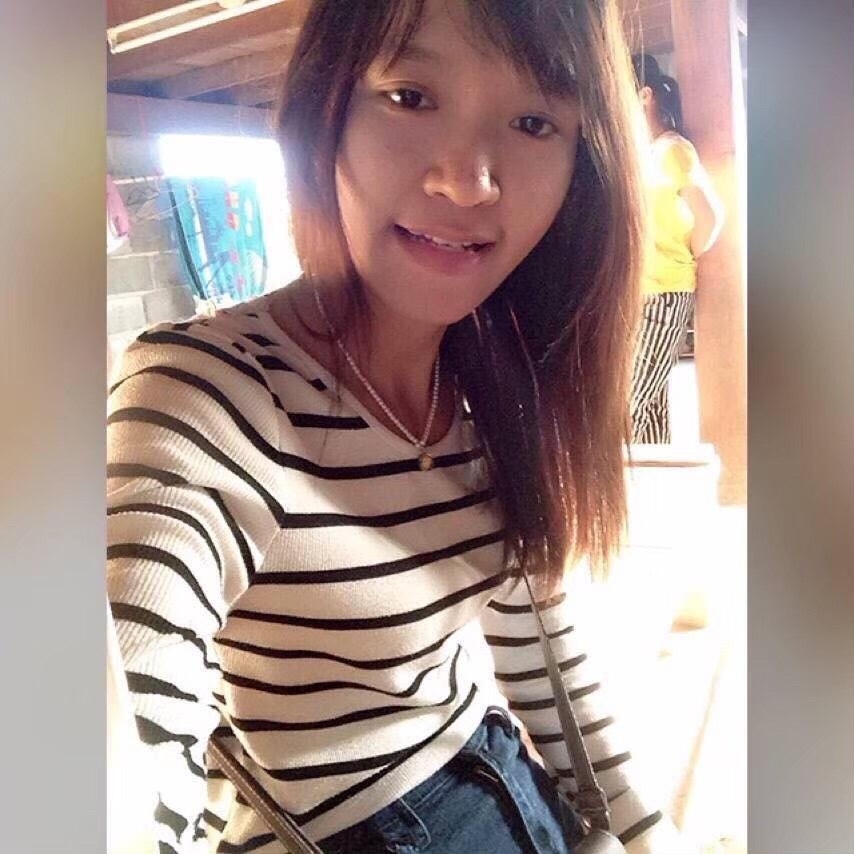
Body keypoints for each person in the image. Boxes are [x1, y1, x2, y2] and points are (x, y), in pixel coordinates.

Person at [107, 3, 689, 852]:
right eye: (411, 96)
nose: (468, 181)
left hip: (503, 779)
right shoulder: (210, 392)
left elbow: (540, 642)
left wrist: (642, 829)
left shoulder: (491, 377)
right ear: (326, 111)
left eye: (534, 122)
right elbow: (133, 729)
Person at [629, 53, 725, 444]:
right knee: (649, 409)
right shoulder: (646, 154)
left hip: (663, 293)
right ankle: (653, 476)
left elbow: (711, 216)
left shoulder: (673, 150)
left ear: (644, 96)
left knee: (624, 407)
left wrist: (681, 259)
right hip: (644, 294)